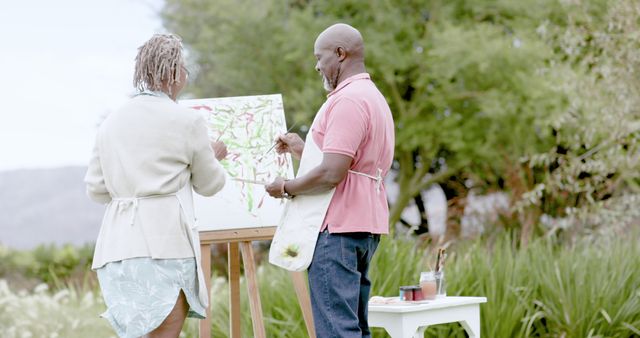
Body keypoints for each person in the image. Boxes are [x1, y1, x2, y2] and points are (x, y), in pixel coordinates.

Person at [84, 34, 227, 338]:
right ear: (174, 72)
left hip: (117, 249)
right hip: (165, 245)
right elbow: (210, 183)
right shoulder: (186, 121)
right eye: (184, 69)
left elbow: (96, 190)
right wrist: (213, 157)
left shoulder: (110, 123)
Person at [266, 23, 395, 338]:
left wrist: (285, 187)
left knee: (338, 332)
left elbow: (331, 173)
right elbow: (353, 162)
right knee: (356, 329)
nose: (317, 66)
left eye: (319, 57)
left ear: (340, 53)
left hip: (336, 231)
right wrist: (301, 147)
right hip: (363, 228)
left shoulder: (347, 100)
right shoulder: (373, 98)